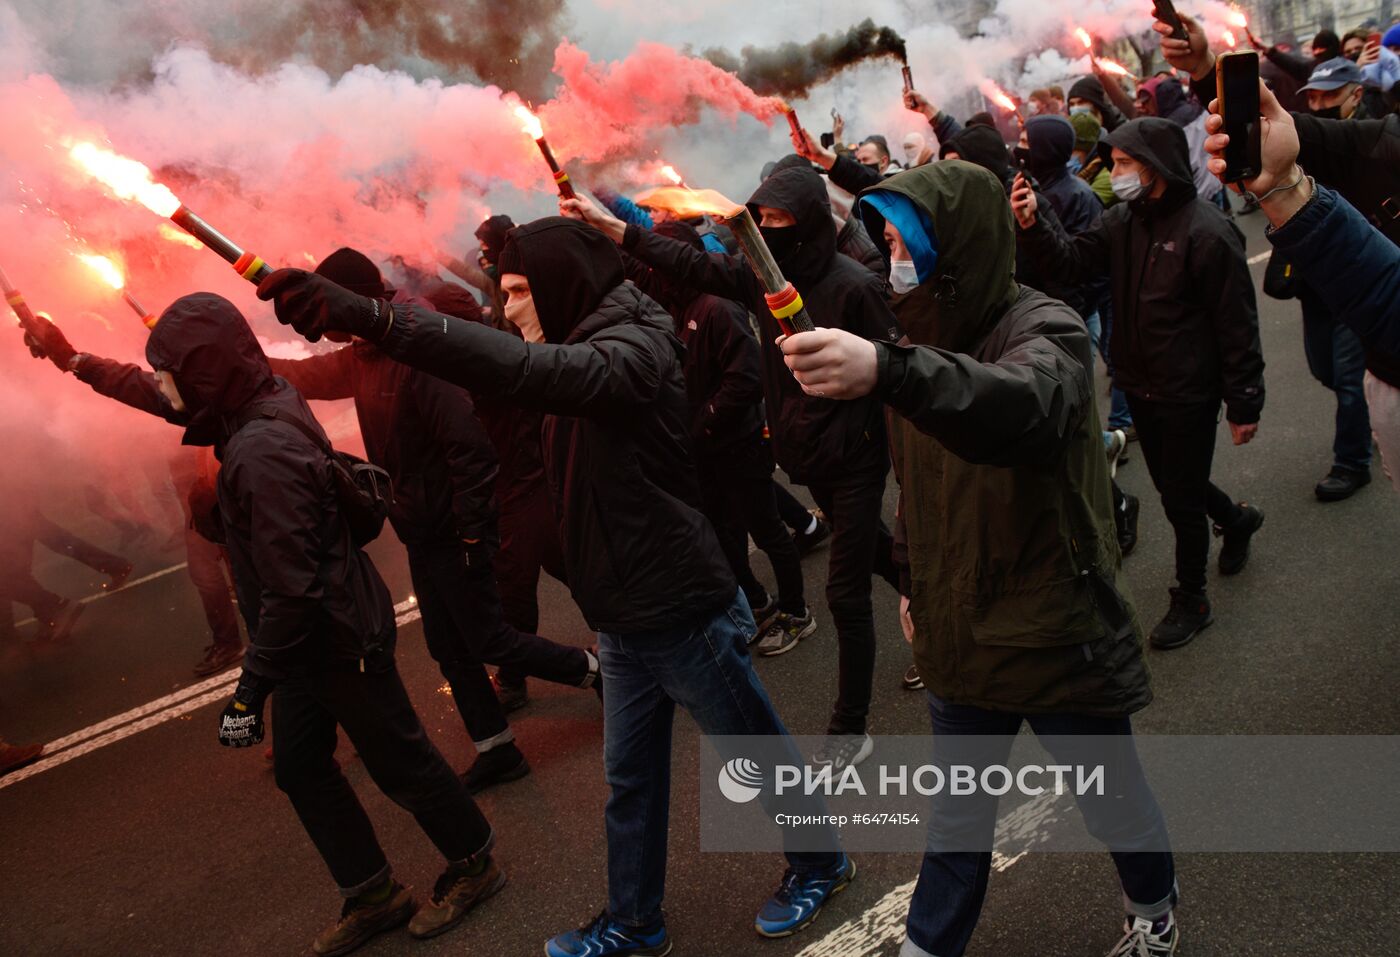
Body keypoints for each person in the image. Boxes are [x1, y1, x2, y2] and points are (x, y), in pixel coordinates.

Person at [256, 217, 855, 955]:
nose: (507, 309)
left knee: (754, 751)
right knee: (630, 782)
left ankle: (821, 861)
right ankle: (636, 922)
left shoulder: (629, 350)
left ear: (561, 285)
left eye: (517, 292)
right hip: (622, 611)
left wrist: (374, 316)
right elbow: (493, 356)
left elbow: (520, 369)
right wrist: (352, 329)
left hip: (680, 604)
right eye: (502, 293)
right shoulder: (575, 335)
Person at [778, 159, 1178, 957]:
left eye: (901, 239)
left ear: (952, 247)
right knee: (957, 820)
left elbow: (1018, 408)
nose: (886, 252)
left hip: (1052, 621)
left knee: (1108, 793)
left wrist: (888, 371)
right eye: (883, 236)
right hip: (959, 622)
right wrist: (914, 576)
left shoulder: (1047, 327)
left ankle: (1155, 908)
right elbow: (918, 484)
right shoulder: (913, 335)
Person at [23, 294, 503, 953]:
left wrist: (249, 690)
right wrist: (71, 357)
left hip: (335, 633)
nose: (167, 388)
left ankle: (475, 861)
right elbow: (153, 391)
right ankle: (373, 891)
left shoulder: (260, 451)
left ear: (208, 373)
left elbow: (293, 590)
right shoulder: (248, 397)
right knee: (302, 767)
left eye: (176, 373)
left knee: (402, 761)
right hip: (306, 643)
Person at [569, 165, 904, 770]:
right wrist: (612, 228)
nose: (770, 230)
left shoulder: (854, 286)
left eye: (780, 220)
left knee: (846, 592)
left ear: (807, 222)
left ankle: (849, 725)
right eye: (762, 219)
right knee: (876, 552)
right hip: (808, 457)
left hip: (856, 457)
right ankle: (930, 597)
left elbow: (896, 374)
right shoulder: (759, 282)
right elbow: (691, 265)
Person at [268, 248, 599, 794]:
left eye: (323, 309)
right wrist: (243, 366)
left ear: (347, 300)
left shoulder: (416, 347)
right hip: (420, 525)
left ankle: (596, 672)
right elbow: (308, 376)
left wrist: (473, 530)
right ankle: (497, 749)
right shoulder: (364, 350)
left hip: (454, 526)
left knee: (491, 636)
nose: (317, 326)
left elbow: (468, 447)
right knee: (450, 648)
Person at [1012, 117, 1266, 650]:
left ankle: (1191, 598)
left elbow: (1237, 325)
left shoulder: (1208, 231)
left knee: (1179, 498)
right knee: (1180, 482)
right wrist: (1034, 224)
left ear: (1155, 167)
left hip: (1189, 390)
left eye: (1126, 163)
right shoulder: (1121, 221)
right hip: (1140, 382)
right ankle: (1236, 520)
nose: (1116, 172)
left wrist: (1245, 402)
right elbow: (1072, 263)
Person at [1163, 17, 1400, 499]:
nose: (1317, 101)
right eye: (1312, 95)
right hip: (1366, 337)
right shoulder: (1386, 141)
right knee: (1329, 369)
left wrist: (1287, 194)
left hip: (1377, 346)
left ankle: (1352, 456)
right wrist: (1208, 70)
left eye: (1328, 94)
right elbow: (1293, 134)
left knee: (1349, 379)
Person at [630, 220, 812, 650]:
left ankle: (797, 611)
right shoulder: (675, 303)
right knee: (720, 531)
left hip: (738, 442)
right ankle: (754, 599)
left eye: (661, 261)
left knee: (766, 530)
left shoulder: (716, 306)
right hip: (704, 448)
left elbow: (747, 378)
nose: (653, 272)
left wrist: (704, 420)